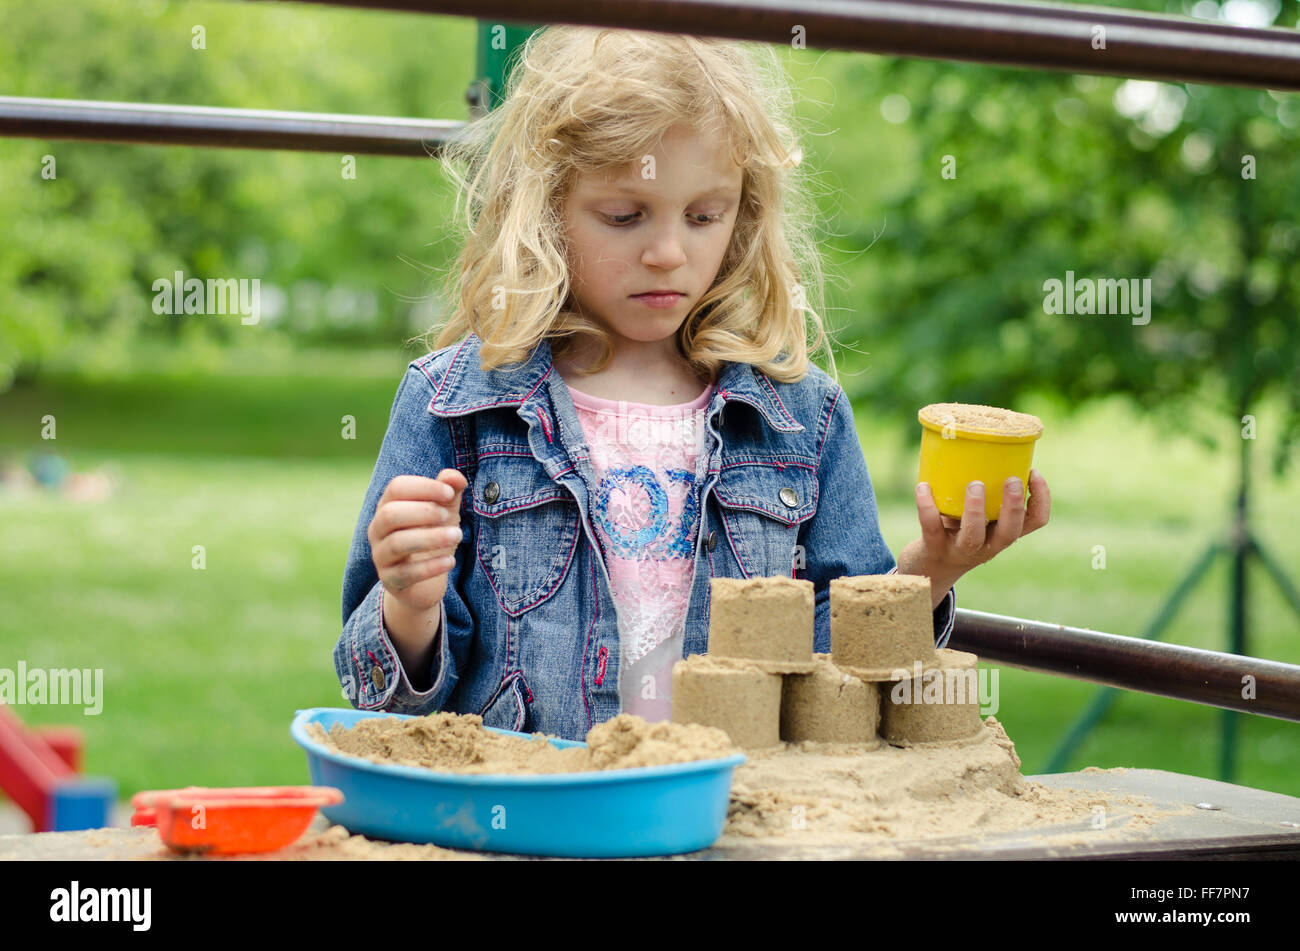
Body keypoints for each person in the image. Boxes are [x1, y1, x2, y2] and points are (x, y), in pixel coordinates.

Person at [334, 26, 1050, 740]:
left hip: (730, 818)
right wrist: (409, 604)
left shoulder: (802, 415)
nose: (669, 252)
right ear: (544, 207)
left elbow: (833, 660)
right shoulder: (456, 404)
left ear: (744, 214)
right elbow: (387, 705)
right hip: (537, 822)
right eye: (624, 215)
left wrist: (934, 567)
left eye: (705, 215)